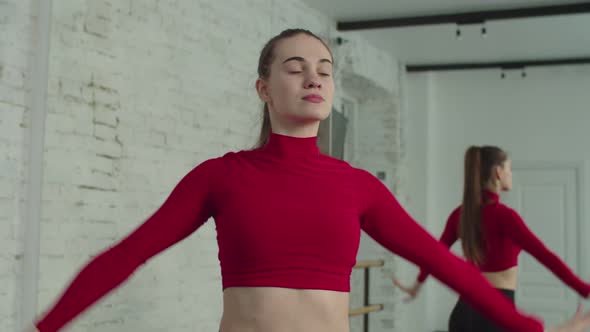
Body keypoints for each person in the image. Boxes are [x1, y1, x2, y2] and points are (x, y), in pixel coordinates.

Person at [26, 30, 590, 332]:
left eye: (324, 70)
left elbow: (448, 266)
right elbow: (129, 254)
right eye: (294, 67)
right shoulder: (221, 176)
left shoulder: (358, 186)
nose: (313, 78)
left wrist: (531, 329)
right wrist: (44, 327)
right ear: (264, 87)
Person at [392, 146, 590, 332]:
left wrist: (416, 285)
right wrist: (584, 290)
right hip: (494, 313)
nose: (511, 174)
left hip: (462, 313)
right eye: (509, 169)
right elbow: (545, 256)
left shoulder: (460, 215)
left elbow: (434, 256)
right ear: (498, 172)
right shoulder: (505, 216)